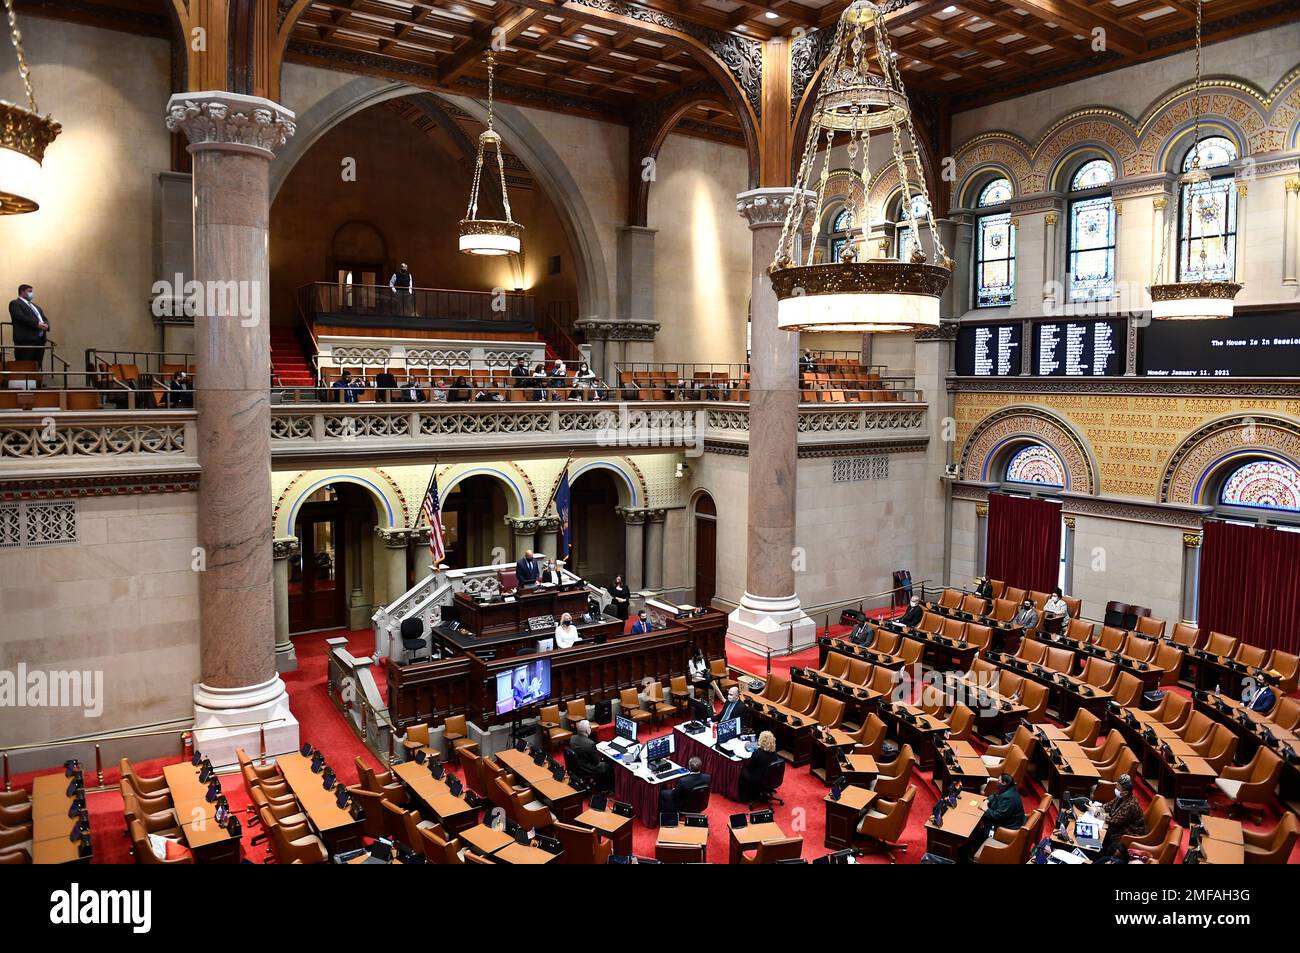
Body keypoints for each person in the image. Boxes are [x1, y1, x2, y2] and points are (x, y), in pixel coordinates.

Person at [969, 773, 1025, 856]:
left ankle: (975, 847)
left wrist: (986, 809)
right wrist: (987, 800)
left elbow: (998, 816)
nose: (997, 782)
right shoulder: (1009, 789)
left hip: (1008, 826)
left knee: (976, 825)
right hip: (1008, 820)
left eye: (998, 780)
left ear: (1004, 783)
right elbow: (995, 795)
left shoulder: (1008, 798)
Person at [1100, 774, 1145, 857]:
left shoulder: (1130, 805)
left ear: (1125, 792)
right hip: (1120, 829)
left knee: (1106, 841)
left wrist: (1100, 815)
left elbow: (1115, 822)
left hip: (1129, 834)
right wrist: (1097, 807)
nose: (1116, 789)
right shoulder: (1121, 797)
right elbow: (1108, 806)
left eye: (1118, 788)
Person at [8, 284, 50, 364]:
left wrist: (46, 325)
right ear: (22, 292)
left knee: (37, 366)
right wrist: (36, 324)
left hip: (40, 340)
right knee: (24, 366)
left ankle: (35, 377)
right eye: (30, 291)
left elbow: (44, 318)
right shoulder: (15, 303)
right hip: (26, 341)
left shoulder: (35, 306)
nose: (32, 294)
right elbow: (20, 317)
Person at [737, 731, 782, 802]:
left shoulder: (757, 754)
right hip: (769, 778)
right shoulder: (774, 753)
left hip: (758, 778)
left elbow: (750, 767)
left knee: (741, 770)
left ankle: (744, 797)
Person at [567, 720, 612, 791]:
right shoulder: (590, 743)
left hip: (576, 766)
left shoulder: (572, 738)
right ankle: (605, 788)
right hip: (586, 768)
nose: (590, 728)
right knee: (608, 765)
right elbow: (596, 762)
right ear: (587, 730)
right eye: (589, 727)